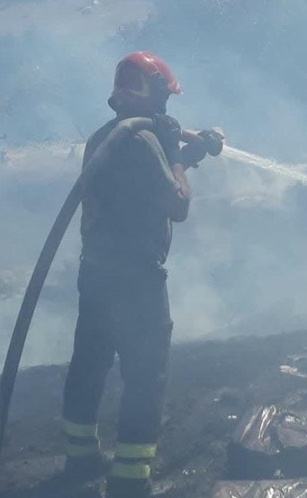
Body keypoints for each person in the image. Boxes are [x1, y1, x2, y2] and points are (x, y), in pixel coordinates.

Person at [60, 52, 224, 498]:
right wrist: (173, 152)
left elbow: (142, 184)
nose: (167, 108)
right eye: (164, 98)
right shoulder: (145, 141)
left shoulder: (105, 137)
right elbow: (177, 206)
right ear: (150, 94)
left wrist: (187, 154)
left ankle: (80, 457)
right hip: (136, 280)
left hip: (97, 272)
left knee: (90, 362)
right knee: (145, 375)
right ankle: (130, 481)